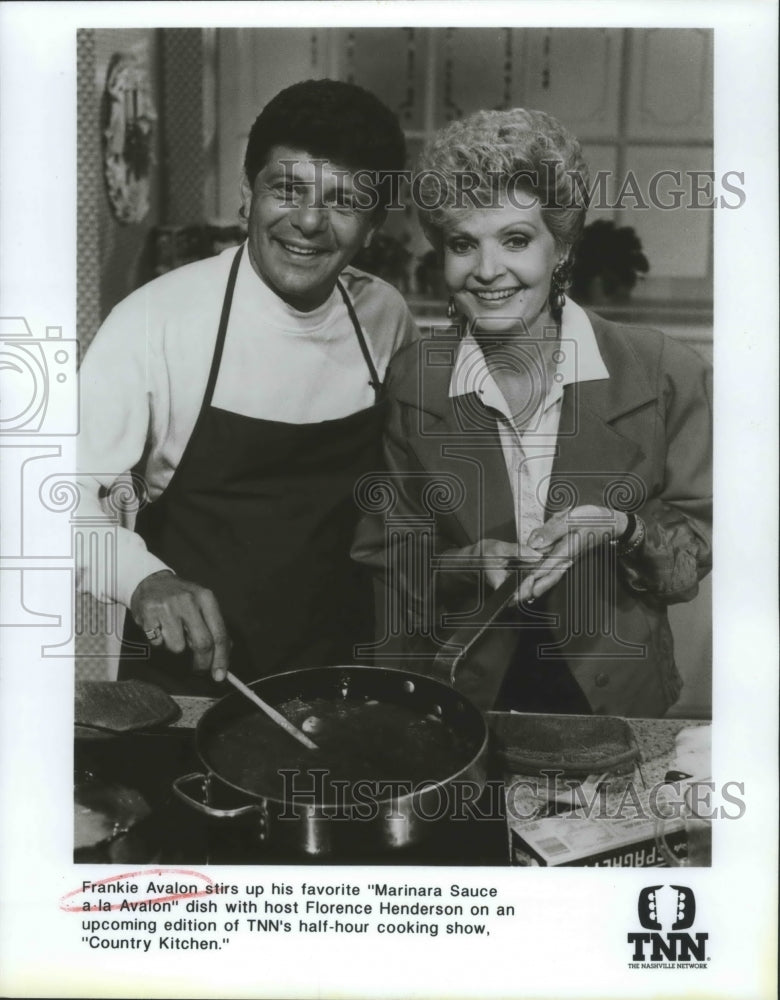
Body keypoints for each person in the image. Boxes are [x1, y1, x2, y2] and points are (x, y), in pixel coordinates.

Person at [353, 108, 712, 718]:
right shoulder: (416, 378)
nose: (488, 271)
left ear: (561, 246)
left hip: (615, 693)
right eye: (463, 244)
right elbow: (386, 557)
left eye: (515, 239)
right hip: (462, 689)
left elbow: (687, 567)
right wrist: (465, 564)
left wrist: (623, 529)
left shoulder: (663, 372)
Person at [77, 79, 416, 694]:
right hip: (187, 686)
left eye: (343, 202)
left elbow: (403, 492)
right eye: (286, 189)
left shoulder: (385, 317)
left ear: (374, 225)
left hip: (339, 678)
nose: (309, 221)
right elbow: (48, 502)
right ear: (246, 194)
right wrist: (140, 580)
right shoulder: (153, 321)